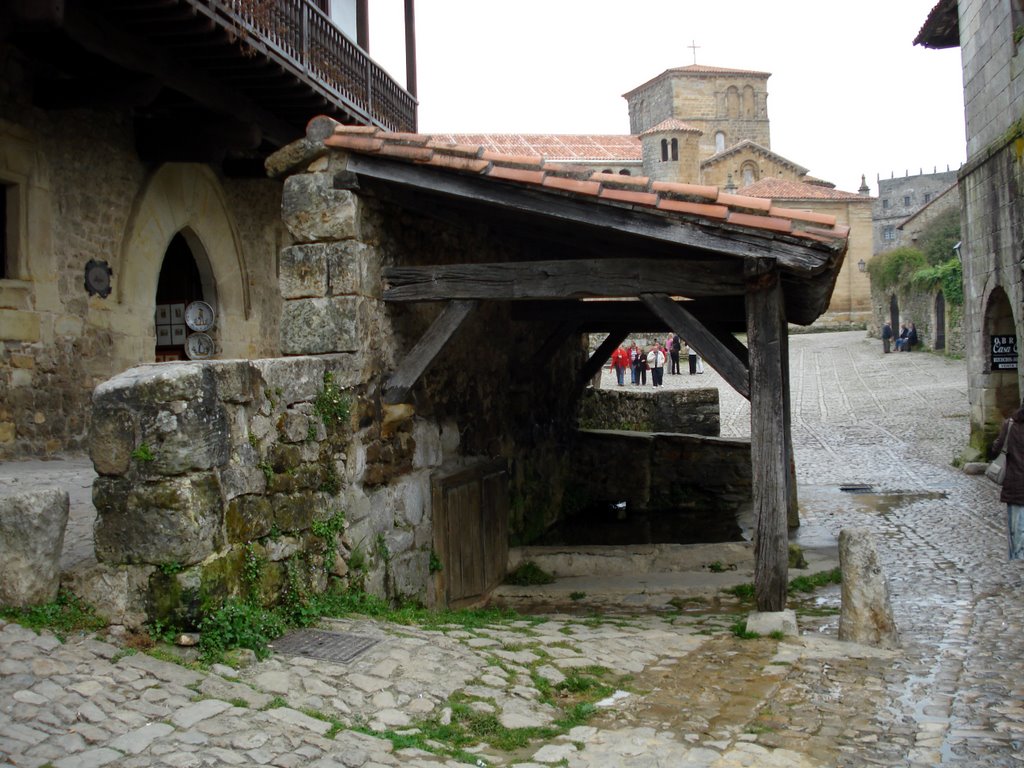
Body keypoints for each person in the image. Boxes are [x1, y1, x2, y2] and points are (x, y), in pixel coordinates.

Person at [991, 402, 1024, 559]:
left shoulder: (1010, 425)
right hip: (1016, 486)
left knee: (1017, 530)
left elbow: (996, 450)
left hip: (1015, 485)